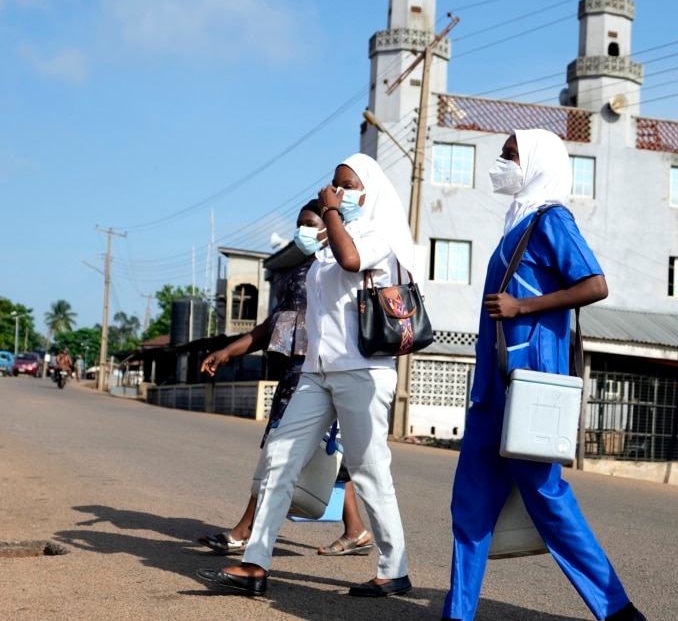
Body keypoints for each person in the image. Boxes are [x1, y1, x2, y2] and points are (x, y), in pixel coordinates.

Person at [441, 129, 644, 621]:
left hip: (530, 384)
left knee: (548, 499)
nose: (501, 162)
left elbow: (595, 284)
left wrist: (522, 306)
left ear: (534, 163)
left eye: (510, 155)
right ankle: (457, 613)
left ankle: (616, 609)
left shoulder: (552, 219)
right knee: (468, 505)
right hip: (493, 388)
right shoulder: (517, 221)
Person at [197, 153, 417, 597]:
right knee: (279, 458)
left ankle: (395, 568)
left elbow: (352, 260)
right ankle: (255, 565)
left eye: (345, 185)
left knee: (369, 470)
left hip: (363, 371)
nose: (334, 192)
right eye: (332, 185)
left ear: (367, 193)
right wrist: (326, 225)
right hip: (317, 371)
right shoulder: (326, 243)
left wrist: (331, 212)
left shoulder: (377, 233)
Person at [195, 200, 374, 558]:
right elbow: (273, 325)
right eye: (300, 223)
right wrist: (229, 351)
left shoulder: (337, 269)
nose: (303, 231)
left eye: (311, 223)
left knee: (280, 449)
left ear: (329, 226)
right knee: (328, 453)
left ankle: (247, 530)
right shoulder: (301, 270)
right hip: (299, 373)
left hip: (319, 371)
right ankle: (355, 530)